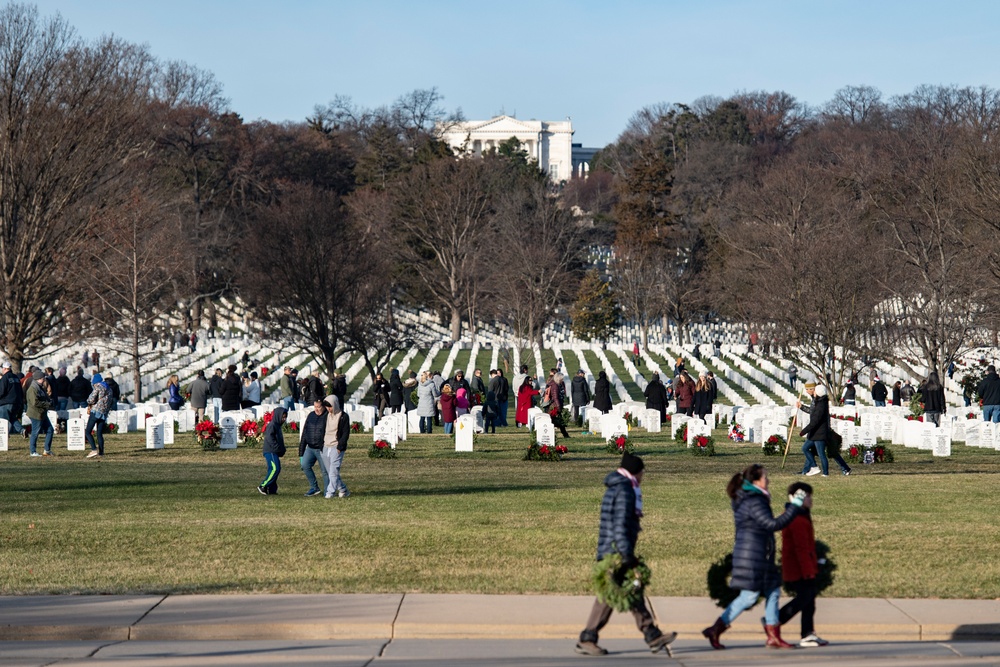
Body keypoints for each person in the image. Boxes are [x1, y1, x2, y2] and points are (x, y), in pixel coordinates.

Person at [575, 453, 677, 657]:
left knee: (631, 592)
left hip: (613, 548)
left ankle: (652, 635)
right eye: (642, 472)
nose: (642, 477)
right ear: (636, 472)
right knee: (610, 596)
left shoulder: (617, 487)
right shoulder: (625, 491)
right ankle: (587, 638)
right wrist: (626, 554)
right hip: (615, 551)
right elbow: (620, 525)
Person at [702, 464, 805, 650]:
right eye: (765, 477)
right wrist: (794, 507)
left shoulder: (749, 497)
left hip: (757, 554)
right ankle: (716, 629)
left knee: (773, 590)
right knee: (749, 596)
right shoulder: (754, 500)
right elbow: (771, 524)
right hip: (753, 555)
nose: (769, 480)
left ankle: (773, 635)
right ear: (756, 481)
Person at [776, 482, 829, 648]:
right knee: (804, 598)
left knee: (809, 599)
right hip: (798, 567)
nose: (810, 499)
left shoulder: (801, 514)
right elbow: (800, 548)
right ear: (795, 497)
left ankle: (808, 633)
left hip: (805, 565)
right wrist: (808, 570)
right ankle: (775, 620)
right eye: (807, 496)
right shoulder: (796, 517)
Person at [798, 384, 851, 476]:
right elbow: (812, 409)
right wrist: (801, 407)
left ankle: (825, 472)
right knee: (806, 449)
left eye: (813, 390)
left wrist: (803, 431)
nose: (811, 392)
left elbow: (815, 420)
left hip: (820, 433)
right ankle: (811, 468)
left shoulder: (820, 405)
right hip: (815, 433)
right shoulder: (819, 401)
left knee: (825, 453)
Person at [298, 399, 329, 497]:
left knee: (325, 471)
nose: (317, 409)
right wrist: (301, 452)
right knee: (305, 465)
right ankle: (314, 487)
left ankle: (328, 491)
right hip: (310, 447)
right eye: (315, 407)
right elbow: (305, 433)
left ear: (323, 406)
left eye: (319, 407)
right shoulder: (311, 415)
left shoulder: (327, 416)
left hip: (322, 448)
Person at [322, 395, 350, 499]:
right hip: (326, 445)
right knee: (331, 472)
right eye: (327, 407)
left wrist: (340, 446)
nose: (328, 409)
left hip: (336, 446)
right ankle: (343, 489)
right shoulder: (326, 415)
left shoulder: (343, 416)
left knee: (333, 470)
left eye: (330, 407)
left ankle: (330, 492)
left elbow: (345, 433)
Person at [258, 406, 286, 495]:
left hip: (274, 451)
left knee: (273, 469)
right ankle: (263, 485)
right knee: (275, 468)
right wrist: (277, 448)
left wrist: (282, 449)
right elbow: (270, 438)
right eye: (283, 417)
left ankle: (272, 489)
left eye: (285, 417)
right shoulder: (272, 425)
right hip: (270, 451)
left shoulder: (278, 426)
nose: (284, 419)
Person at [85, 373, 112, 459]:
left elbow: (90, 399)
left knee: (88, 431)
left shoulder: (98, 387)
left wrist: (90, 402)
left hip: (96, 411)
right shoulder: (109, 388)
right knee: (99, 433)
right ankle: (101, 452)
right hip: (104, 413)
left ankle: (93, 449)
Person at [26, 371, 54, 457]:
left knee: (50, 430)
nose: (44, 380)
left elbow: (43, 397)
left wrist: (49, 401)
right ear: (38, 379)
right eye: (43, 378)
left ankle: (47, 450)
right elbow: (35, 403)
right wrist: (47, 404)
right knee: (35, 432)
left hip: (42, 413)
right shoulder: (33, 389)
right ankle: (33, 451)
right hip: (36, 414)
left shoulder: (39, 387)